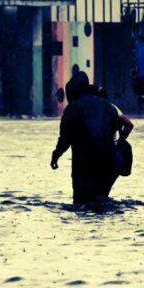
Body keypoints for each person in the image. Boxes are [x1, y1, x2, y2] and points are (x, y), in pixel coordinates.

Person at [51, 72, 124, 203]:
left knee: (82, 200)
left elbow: (65, 137)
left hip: (84, 164)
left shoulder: (73, 108)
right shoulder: (106, 105)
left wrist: (56, 155)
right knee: (101, 197)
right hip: (108, 162)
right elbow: (118, 127)